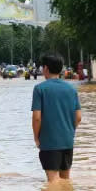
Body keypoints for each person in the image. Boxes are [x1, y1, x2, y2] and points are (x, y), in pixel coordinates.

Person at [32, 53, 82, 183]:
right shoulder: (71, 89)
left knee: (53, 182)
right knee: (65, 180)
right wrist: (69, 131)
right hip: (67, 141)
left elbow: (37, 118)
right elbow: (78, 117)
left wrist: (37, 138)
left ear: (46, 69)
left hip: (49, 143)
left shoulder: (40, 89)